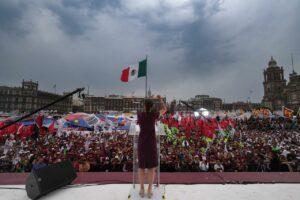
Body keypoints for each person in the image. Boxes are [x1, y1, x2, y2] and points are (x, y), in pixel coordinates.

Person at [137, 95, 167, 198]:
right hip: (151, 143)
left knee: (141, 167)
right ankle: (149, 189)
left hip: (142, 143)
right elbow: (164, 109)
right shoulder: (154, 115)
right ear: (152, 106)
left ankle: (141, 188)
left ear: (144, 106)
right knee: (151, 167)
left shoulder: (140, 115)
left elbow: (143, 111)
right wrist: (160, 99)